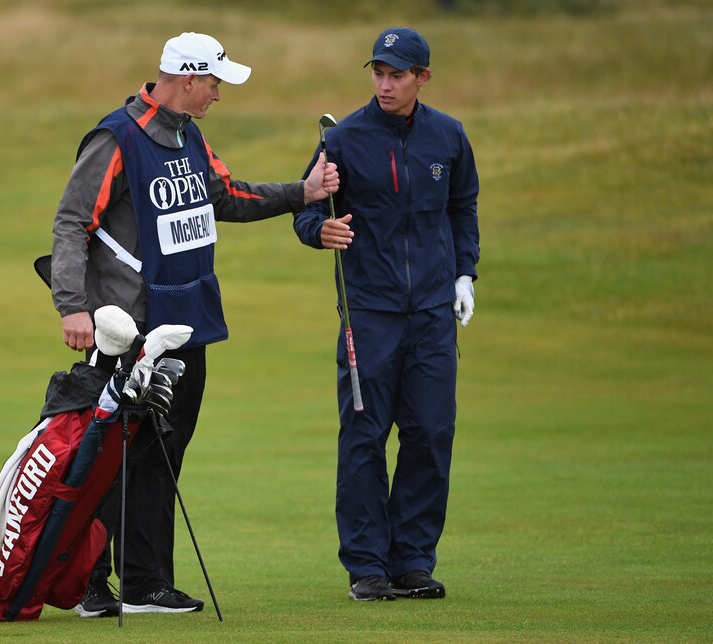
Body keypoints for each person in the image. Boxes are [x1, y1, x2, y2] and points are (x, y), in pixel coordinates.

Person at [50, 31, 339, 616]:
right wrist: (72, 306)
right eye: (213, 83)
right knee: (109, 456)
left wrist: (300, 193)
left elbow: (225, 195)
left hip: (185, 322)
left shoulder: (189, 137)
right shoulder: (116, 138)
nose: (217, 94)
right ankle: (89, 583)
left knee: (163, 453)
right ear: (186, 79)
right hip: (126, 327)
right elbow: (71, 223)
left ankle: (146, 583)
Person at [293, 26, 479, 602]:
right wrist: (319, 229)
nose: (385, 83)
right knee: (365, 437)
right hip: (368, 312)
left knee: (429, 432)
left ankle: (413, 562)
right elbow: (306, 210)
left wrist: (464, 273)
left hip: (430, 313)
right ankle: (368, 565)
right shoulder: (343, 139)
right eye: (378, 72)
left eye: (397, 74)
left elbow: (461, 207)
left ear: (422, 77)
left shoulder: (448, 137)